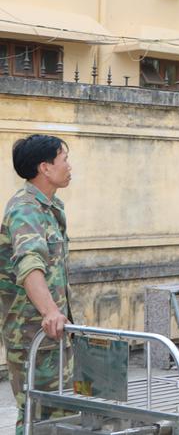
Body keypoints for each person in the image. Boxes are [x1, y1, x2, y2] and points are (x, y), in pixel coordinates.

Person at [0, 134, 73, 435]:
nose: (69, 166)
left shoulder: (50, 207)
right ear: (45, 167)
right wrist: (50, 312)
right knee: (37, 416)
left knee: (56, 416)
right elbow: (29, 264)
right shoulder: (26, 209)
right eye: (64, 159)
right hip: (33, 335)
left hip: (52, 335)